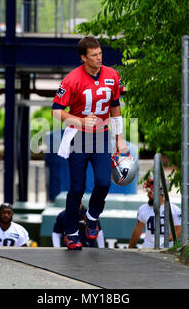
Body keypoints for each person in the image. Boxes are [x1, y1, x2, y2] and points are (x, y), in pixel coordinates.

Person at [51, 36, 127, 250]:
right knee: (77, 188)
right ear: (83, 57)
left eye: (100, 53)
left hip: (101, 135)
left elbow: (115, 106)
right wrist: (80, 120)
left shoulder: (112, 75)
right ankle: (72, 232)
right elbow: (56, 112)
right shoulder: (71, 79)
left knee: (104, 182)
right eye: (94, 55)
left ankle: (93, 216)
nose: (99, 58)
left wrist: (119, 138)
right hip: (78, 136)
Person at [129, 178, 182, 249]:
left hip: (167, 248)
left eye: (150, 192)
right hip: (147, 248)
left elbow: (178, 231)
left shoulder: (174, 210)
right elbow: (138, 229)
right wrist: (130, 247)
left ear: (159, 193)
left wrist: (163, 240)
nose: (148, 195)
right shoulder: (143, 208)